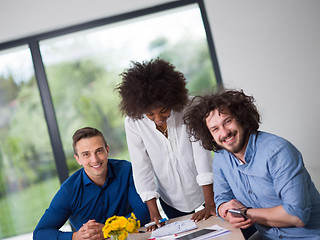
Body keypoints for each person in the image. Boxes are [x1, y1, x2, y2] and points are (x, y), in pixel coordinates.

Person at [183, 89, 320, 239]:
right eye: (215, 129)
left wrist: (245, 213)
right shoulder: (221, 158)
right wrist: (226, 212)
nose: (224, 133)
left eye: (227, 121)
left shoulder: (278, 152)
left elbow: (297, 216)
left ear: (241, 117)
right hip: (268, 236)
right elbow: (222, 199)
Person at [115, 58, 215, 230]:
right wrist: (154, 212)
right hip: (170, 198)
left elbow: (202, 154)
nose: (159, 119)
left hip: (207, 192)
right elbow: (141, 166)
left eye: (164, 111)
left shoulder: (191, 106)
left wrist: (210, 203)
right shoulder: (133, 122)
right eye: (150, 114)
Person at [33, 127, 150, 240]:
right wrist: (75, 237)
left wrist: (108, 229)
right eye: (86, 154)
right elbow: (40, 234)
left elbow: (144, 211)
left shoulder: (126, 170)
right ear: (78, 159)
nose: (95, 160)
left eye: (99, 151)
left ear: (107, 150)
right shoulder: (69, 190)